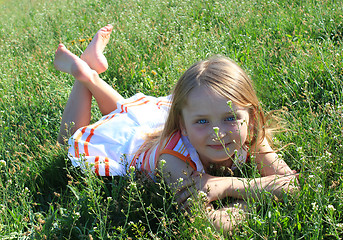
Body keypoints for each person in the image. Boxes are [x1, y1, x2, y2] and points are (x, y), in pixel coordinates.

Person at [54, 24, 299, 232]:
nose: (218, 132)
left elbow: (293, 186)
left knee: (127, 113)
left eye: (230, 118)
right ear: (182, 124)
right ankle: (82, 76)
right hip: (134, 147)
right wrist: (263, 194)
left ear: (251, 117)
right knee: (70, 139)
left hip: (156, 128)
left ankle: (92, 74)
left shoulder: (250, 133)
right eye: (202, 121)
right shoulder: (173, 161)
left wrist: (225, 185)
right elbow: (211, 223)